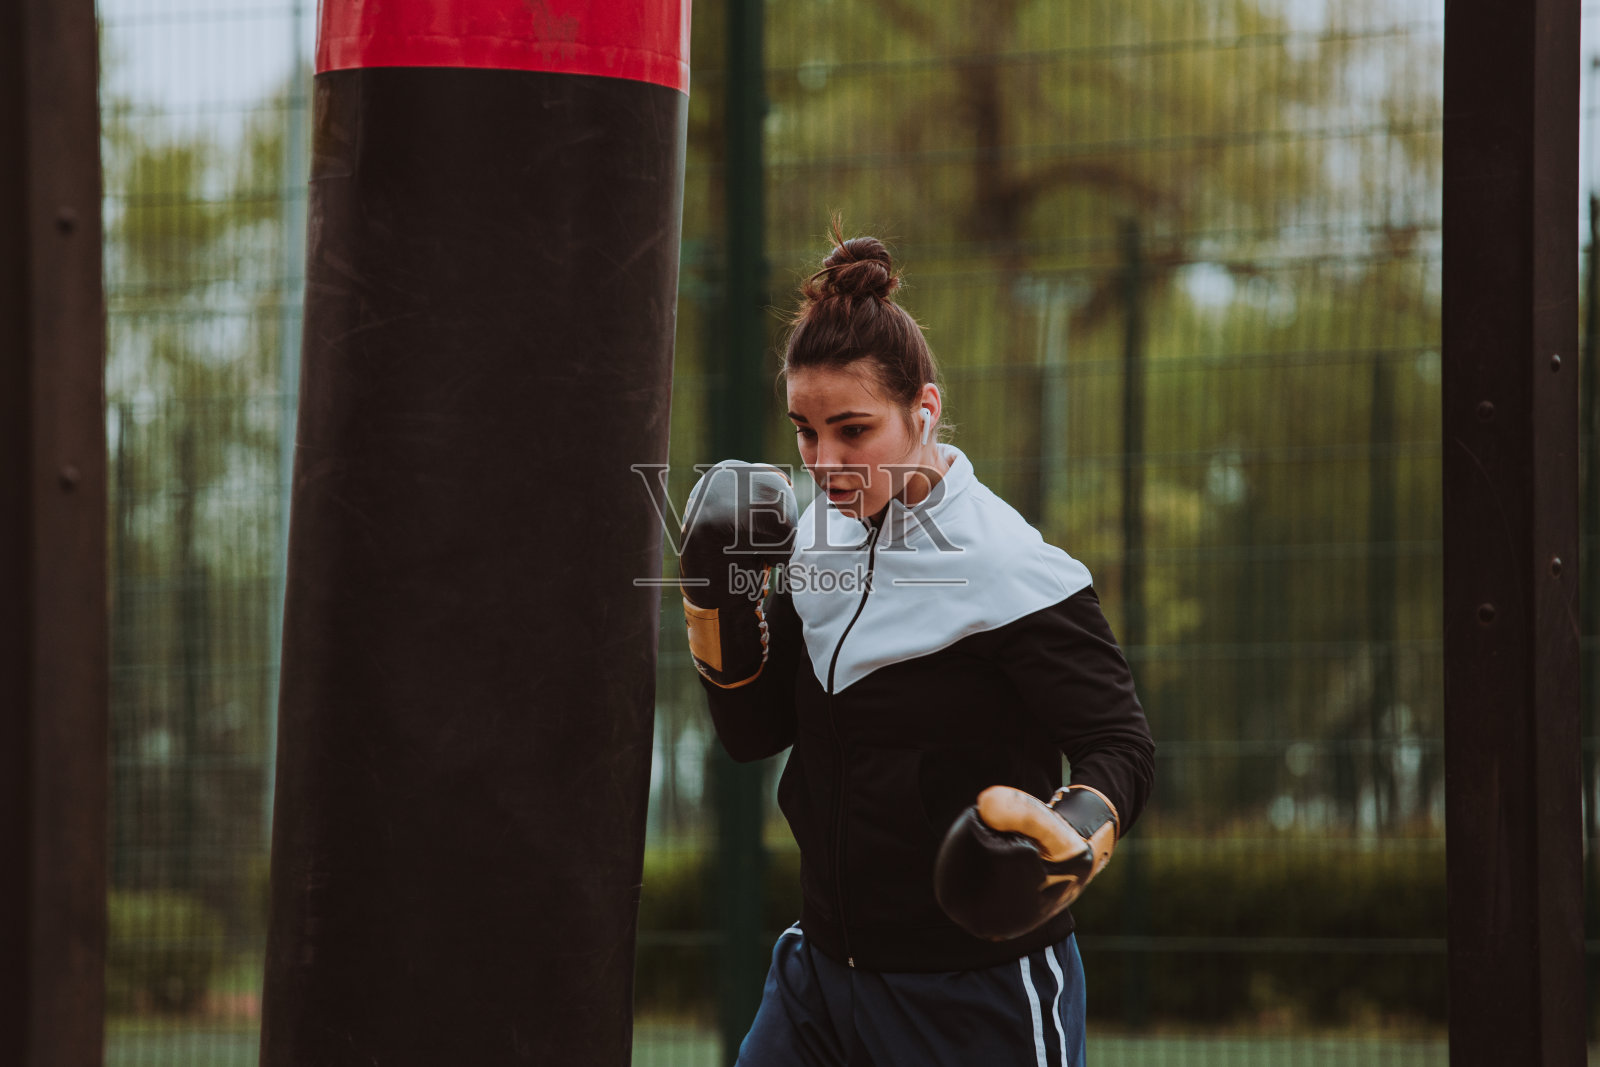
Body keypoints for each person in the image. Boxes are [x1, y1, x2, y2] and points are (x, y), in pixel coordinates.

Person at [678, 221, 1155, 1066]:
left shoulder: (1008, 566)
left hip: (973, 996)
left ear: (922, 409)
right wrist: (717, 609)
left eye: (853, 430)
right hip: (821, 975)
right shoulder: (817, 536)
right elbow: (755, 733)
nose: (824, 462)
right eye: (804, 431)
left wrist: (1074, 829)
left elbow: (1120, 743)